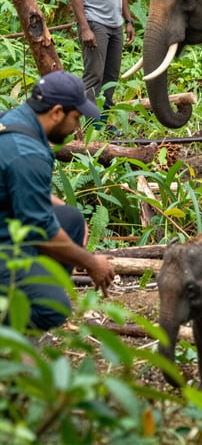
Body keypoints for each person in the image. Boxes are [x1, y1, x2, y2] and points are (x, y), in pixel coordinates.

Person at [0, 71, 115, 330]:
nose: (77, 128)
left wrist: (58, 206)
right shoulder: (27, 153)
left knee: (70, 219)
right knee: (54, 310)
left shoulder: (13, 120)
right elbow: (40, 231)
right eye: (76, 118)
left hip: (7, 225)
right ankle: (16, 317)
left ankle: (35, 285)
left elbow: (17, 186)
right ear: (56, 112)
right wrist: (90, 262)